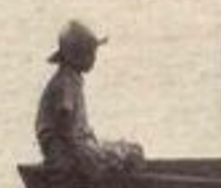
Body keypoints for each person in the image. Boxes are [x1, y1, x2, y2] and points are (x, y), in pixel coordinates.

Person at [35, 19, 144, 174]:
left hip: (68, 147)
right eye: (91, 53)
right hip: (63, 151)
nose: (94, 58)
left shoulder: (71, 77)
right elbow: (65, 122)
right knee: (126, 158)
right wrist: (86, 153)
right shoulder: (66, 81)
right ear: (78, 55)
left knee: (129, 151)